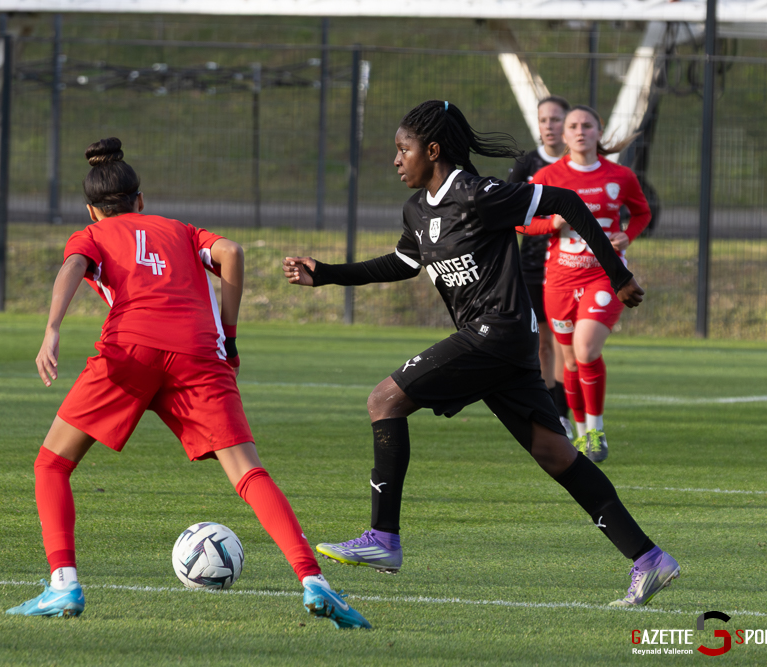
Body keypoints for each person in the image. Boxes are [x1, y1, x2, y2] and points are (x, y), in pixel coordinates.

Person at [282, 101, 678, 607]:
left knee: (384, 400)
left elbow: (567, 201)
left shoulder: (478, 194)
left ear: (432, 150)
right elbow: (402, 262)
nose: (396, 160)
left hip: (498, 332)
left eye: (403, 149)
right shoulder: (417, 209)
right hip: (500, 347)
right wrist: (327, 274)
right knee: (556, 454)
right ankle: (649, 559)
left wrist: (617, 275)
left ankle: (383, 537)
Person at [6, 138, 370, 629]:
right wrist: (229, 337)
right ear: (140, 200)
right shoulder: (179, 230)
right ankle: (313, 580)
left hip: (131, 351)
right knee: (248, 473)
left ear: (91, 210)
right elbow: (232, 252)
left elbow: (73, 265)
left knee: (52, 464)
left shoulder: (91, 235)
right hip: (199, 355)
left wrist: (52, 329)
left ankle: (63, 585)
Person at [519, 105, 652, 463]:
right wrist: (550, 225)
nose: (580, 131)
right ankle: (582, 435)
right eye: (574, 126)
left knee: (586, 348)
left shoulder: (620, 175)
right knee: (571, 361)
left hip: (604, 276)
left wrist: (627, 236)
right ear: (564, 135)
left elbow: (642, 212)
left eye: (587, 125)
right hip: (560, 280)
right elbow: (518, 219)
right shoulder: (548, 175)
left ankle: (596, 429)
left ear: (599, 131)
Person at [507, 95, 572, 438]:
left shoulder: (579, 163)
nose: (549, 126)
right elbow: (512, 213)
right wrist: (549, 225)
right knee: (544, 342)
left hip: (571, 264)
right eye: (543, 120)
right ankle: (554, 412)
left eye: (556, 119)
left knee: (567, 343)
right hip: (533, 265)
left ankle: (567, 410)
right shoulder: (527, 163)